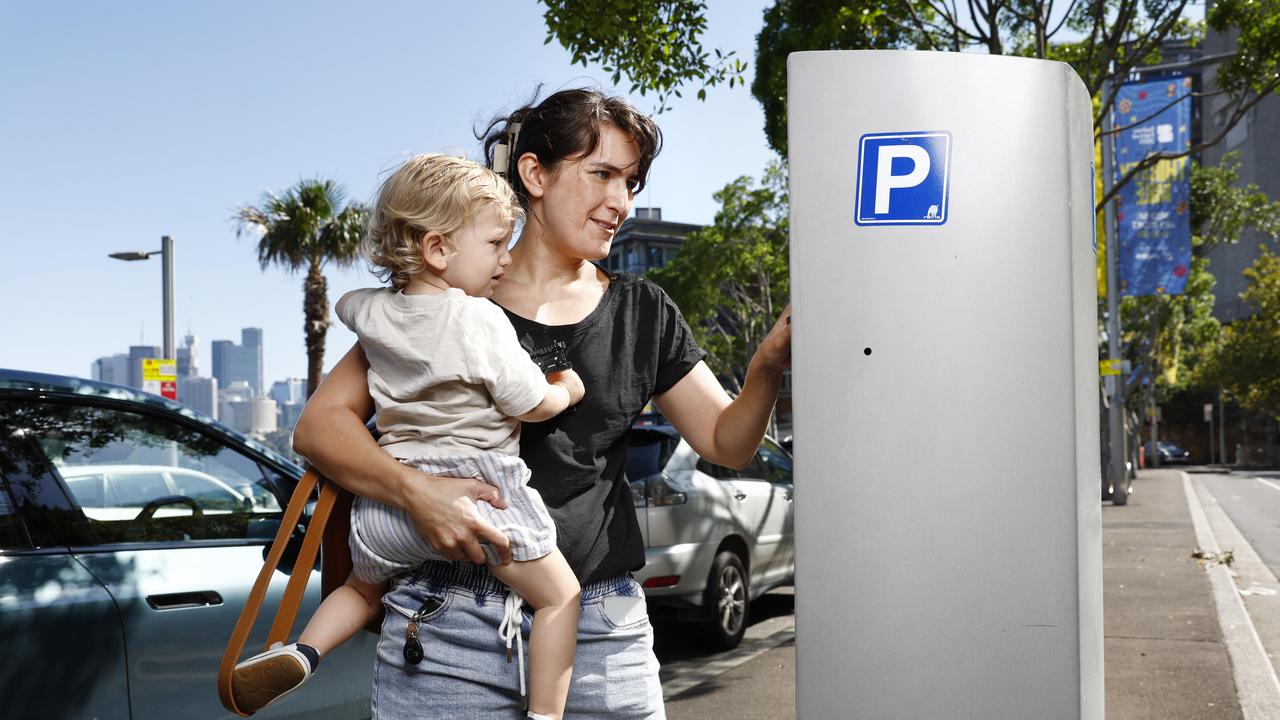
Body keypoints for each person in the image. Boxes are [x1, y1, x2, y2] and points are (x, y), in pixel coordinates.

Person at [292, 87, 792, 719]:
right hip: (445, 627)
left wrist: (766, 367)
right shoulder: (447, 299)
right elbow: (319, 428)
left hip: (602, 630)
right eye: (603, 174)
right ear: (534, 174)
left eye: (631, 182)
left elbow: (726, 441)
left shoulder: (643, 311)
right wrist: (414, 491)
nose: (621, 202)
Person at [232, 154, 583, 720]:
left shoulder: (371, 315)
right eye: (496, 243)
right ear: (439, 250)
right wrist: (567, 389)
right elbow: (530, 402)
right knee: (559, 596)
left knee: (363, 592)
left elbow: (350, 308)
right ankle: (546, 715)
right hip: (480, 499)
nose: (507, 256)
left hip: (388, 508)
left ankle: (303, 649)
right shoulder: (477, 318)